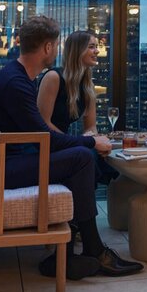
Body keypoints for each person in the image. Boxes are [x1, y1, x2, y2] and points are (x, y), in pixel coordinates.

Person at [0, 16, 142, 280]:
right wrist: (92, 141)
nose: (57, 50)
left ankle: (69, 253)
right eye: (55, 44)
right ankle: (92, 249)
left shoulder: (18, 76)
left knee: (80, 157)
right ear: (47, 48)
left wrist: (90, 140)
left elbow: (42, 134)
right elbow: (44, 135)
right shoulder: (17, 82)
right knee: (81, 156)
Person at [37, 30, 118, 186]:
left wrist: (92, 138)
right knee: (89, 155)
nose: (97, 51)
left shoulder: (87, 86)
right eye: (92, 47)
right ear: (78, 50)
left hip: (64, 143)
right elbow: (43, 123)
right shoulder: (54, 77)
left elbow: (91, 126)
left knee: (109, 156)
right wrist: (81, 142)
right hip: (46, 145)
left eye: (97, 47)